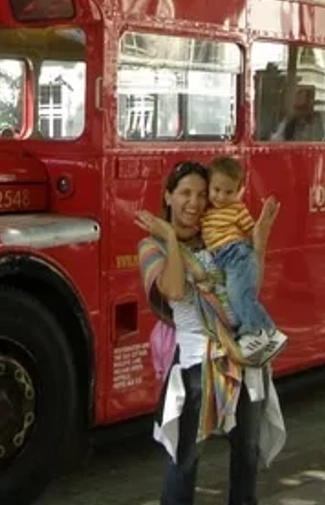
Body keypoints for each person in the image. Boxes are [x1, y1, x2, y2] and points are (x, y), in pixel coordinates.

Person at [136, 161, 286, 505]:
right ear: (168, 196)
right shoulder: (150, 247)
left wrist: (259, 241)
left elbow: (249, 292)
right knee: (185, 459)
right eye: (185, 193)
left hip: (242, 357)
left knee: (246, 454)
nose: (195, 202)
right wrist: (172, 239)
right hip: (196, 363)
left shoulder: (219, 237)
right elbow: (174, 290)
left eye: (202, 194)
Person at [201, 155, 287, 364]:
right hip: (223, 258)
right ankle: (267, 332)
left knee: (239, 295)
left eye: (229, 192)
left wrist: (260, 233)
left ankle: (257, 332)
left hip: (237, 255)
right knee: (237, 296)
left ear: (238, 190)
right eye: (216, 190)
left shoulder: (237, 209)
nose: (221, 196)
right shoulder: (207, 213)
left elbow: (250, 231)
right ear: (209, 187)